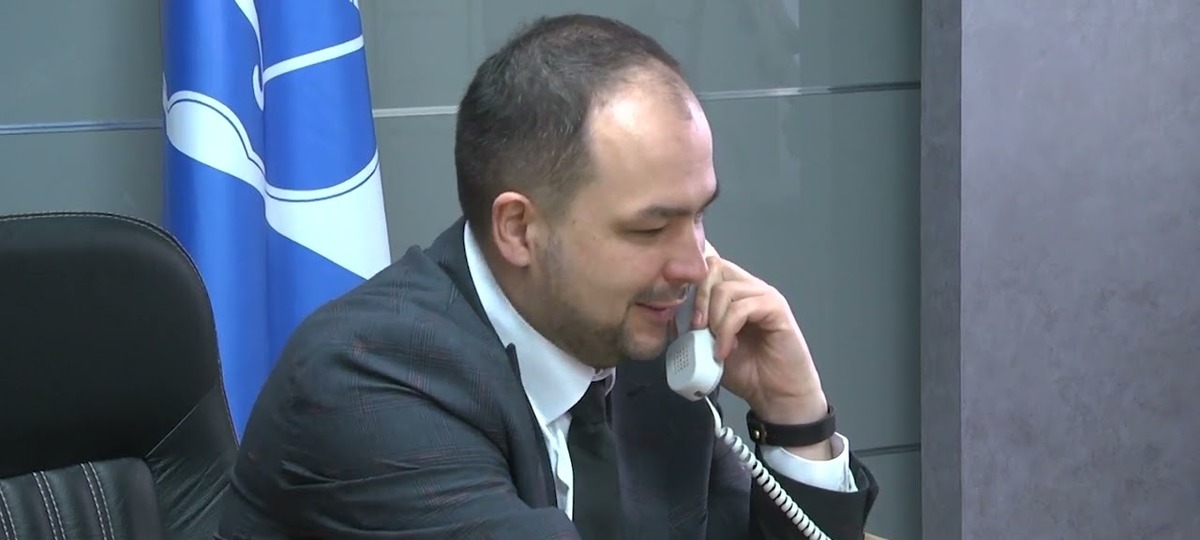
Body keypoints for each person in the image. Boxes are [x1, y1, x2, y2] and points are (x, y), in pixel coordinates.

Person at [215, 13, 878, 540]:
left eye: (699, 216)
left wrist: (795, 416)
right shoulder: (369, 383)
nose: (693, 266)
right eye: (650, 228)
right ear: (518, 229)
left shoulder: (649, 359)